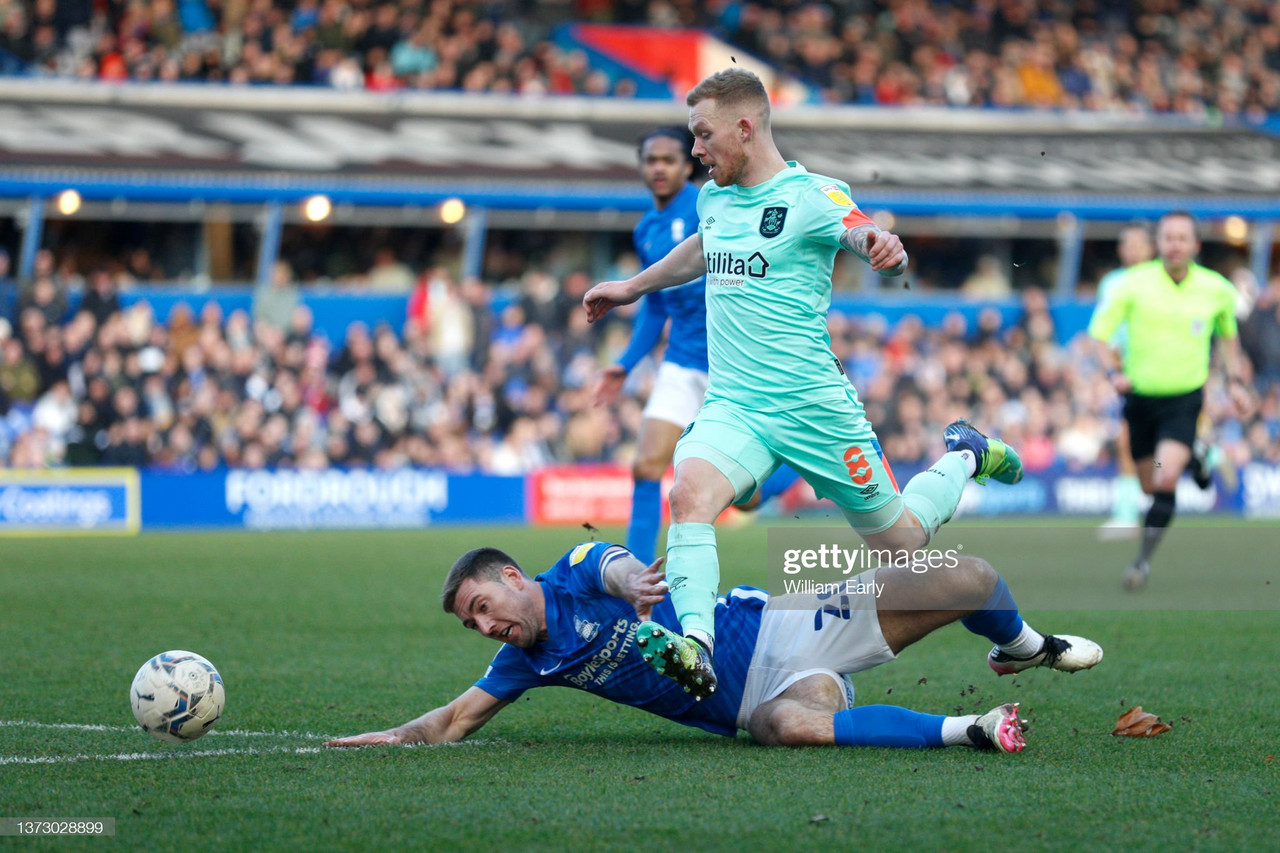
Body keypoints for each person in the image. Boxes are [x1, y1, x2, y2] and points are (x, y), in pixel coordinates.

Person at [583, 68, 1023, 699]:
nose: (695, 152)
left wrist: (881, 243)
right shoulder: (713, 197)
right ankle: (697, 647)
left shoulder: (812, 196)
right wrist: (631, 287)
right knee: (688, 495)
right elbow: (703, 249)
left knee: (901, 543)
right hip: (735, 403)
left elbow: (859, 227)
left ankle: (965, 456)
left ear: (745, 127)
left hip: (814, 407)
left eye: (703, 136)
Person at [326, 542, 1102, 752]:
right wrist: (388, 736)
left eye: (483, 607)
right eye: (474, 625)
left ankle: (1026, 645)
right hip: (762, 700)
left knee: (965, 574)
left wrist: (634, 584)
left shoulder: (567, 575)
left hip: (787, 626)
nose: (487, 626)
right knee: (780, 728)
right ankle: (972, 729)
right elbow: (452, 722)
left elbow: (613, 562)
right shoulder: (524, 659)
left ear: (506, 575)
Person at [593, 126, 800, 564]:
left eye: (669, 159)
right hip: (682, 362)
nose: (659, 168)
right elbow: (655, 303)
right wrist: (625, 364)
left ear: (688, 165)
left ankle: (797, 470)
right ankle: (633, 581)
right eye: (651, 161)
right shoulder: (646, 229)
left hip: (734, 363)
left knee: (745, 497)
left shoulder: (711, 205)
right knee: (646, 466)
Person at [1088, 211, 1251, 590]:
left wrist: (1236, 382)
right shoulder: (1131, 284)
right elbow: (1100, 335)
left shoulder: (1216, 289)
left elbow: (1228, 338)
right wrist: (1113, 373)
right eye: (1168, 237)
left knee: (1165, 479)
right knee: (1149, 485)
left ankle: (1141, 563)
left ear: (1195, 245)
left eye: (1182, 238)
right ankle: (1199, 457)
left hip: (1184, 399)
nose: (1175, 244)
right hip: (1140, 400)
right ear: (1158, 244)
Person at [1093, 223, 1155, 537]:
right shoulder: (1112, 283)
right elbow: (1104, 330)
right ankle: (1129, 510)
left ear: (1150, 248)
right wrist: (1112, 367)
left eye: (1136, 243)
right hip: (1127, 371)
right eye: (1125, 243)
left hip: (1159, 367)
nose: (1129, 249)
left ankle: (1128, 512)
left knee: (1132, 439)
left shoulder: (1161, 281)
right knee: (1130, 439)